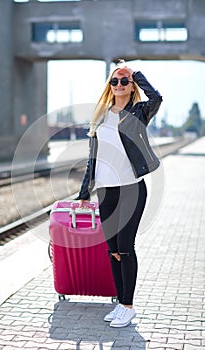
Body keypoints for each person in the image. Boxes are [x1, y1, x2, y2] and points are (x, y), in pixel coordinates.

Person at [76, 59, 162, 327]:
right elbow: (93, 158)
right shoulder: (100, 117)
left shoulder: (138, 112)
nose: (119, 84)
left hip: (131, 189)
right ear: (109, 86)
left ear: (132, 85)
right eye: (115, 80)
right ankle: (120, 301)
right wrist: (83, 194)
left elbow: (157, 97)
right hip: (106, 191)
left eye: (125, 80)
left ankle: (127, 305)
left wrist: (135, 71)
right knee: (112, 249)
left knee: (125, 247)